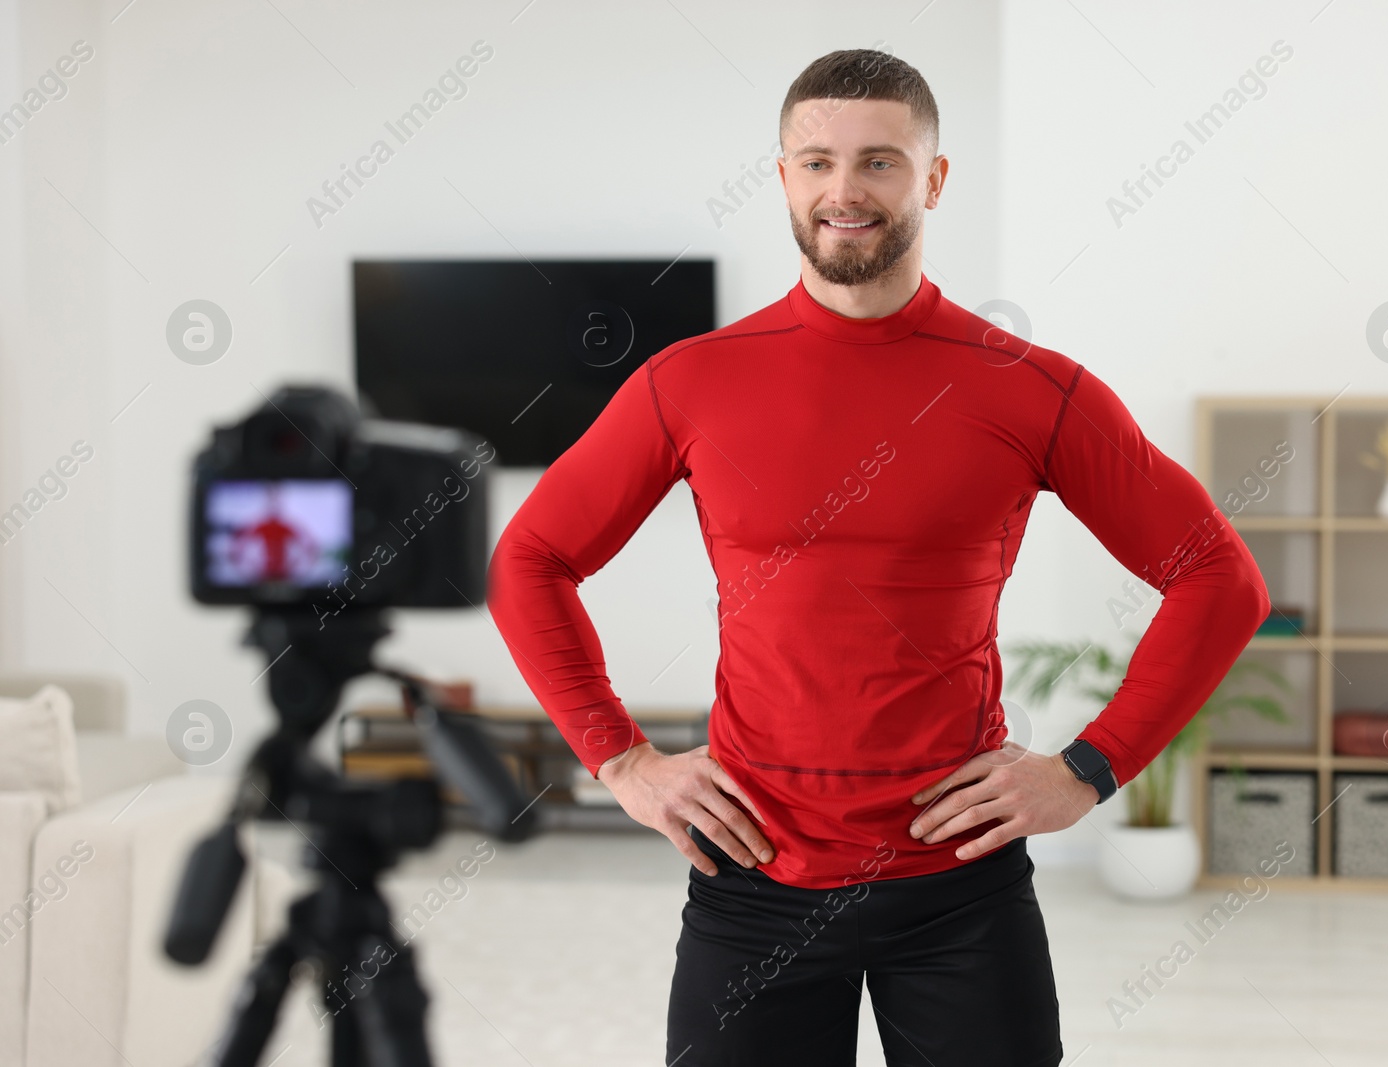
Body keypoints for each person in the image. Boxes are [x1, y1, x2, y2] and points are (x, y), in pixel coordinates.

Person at [487, 47, 1270, 1067]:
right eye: (814, 162)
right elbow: (531, 557)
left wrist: (1087, 767)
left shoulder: (1030, 387)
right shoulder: (690, 382)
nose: (843, 190)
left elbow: (1219, 576)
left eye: (879, 162)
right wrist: (623, 760)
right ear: (781, 178)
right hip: (752, 880)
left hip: (960, 890)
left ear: (933, 179)